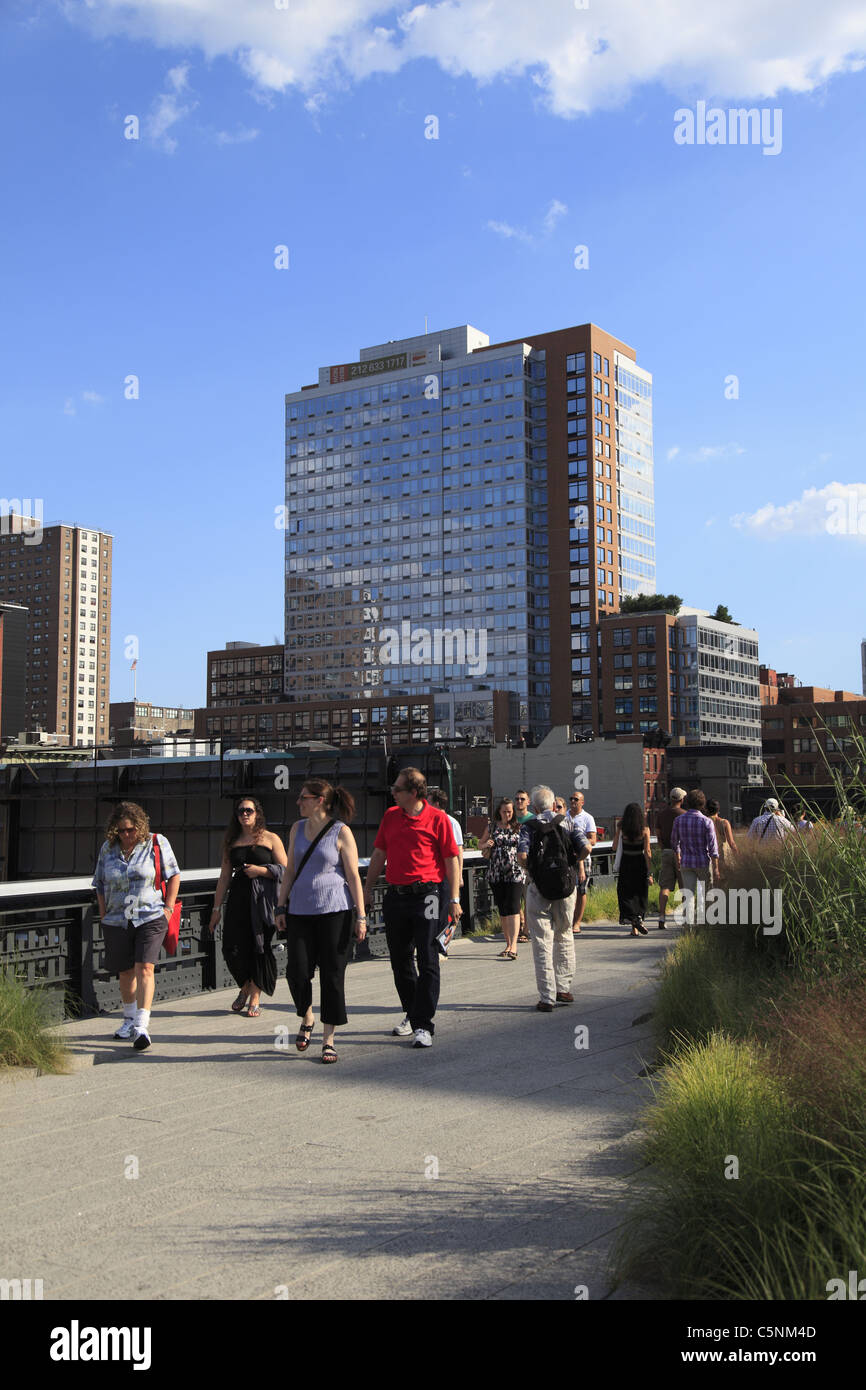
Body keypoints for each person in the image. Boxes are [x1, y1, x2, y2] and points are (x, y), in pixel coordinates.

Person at [364, 767, 461, 1048]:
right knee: (399, 959)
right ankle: (413, 1012)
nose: (392, 792)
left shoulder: (438, 819)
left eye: (397, 789)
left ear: (414, 793)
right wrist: (368, 888)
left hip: (428, 894)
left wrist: (454, 899)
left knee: (428, 958)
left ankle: (423, 1025)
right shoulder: (391, 816)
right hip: (396, 895)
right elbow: (379, 853)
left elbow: (452, 860)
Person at [275, 780, 366, 1064]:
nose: (298, 802)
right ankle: (307, 1015)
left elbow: (352, 876)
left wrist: (361, 916)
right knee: (296, 971)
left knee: (332, 974)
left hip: (336, 912)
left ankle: (328, 1040)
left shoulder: (341, 831)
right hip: (300, 911)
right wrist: (281, 905)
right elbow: (289, 869)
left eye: (303, 798)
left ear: (320, 801)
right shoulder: (296, 829)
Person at [92, 801, 181, 1052]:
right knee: (125, 972)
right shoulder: (108, 849)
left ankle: (142, 1025)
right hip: (117, 919)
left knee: (145, 967)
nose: (127, 834)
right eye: (121, 830)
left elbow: (174, 875)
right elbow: (99, 883)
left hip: (150, 915)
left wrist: (168, 908)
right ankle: (129, 1020)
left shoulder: (156, 843)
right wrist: (103, 913)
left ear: (139, 826)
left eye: (131, 829)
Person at [208, 797, 287, 1016]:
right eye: (241, 810)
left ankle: (254, 996)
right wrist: (216, 909)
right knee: (231, 947)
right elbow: (224, 876)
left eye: (249, 810)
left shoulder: (270, 838)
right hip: (238, 898)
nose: (245, 814)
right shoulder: (231, 842)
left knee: (258, 946)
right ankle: (245, 985)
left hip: (263, 900)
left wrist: (261, 871)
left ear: (257, 813)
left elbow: (286, 869)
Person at [517, 785, 589, 1011]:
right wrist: (572, 862)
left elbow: (522, 855)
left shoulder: (529, 826)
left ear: (536, 807)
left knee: (541, 942)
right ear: (553, 806)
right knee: (565, 934)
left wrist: (532, 870)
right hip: (566, 887)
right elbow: (586, 847)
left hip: (539, 888)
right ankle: (564, 989)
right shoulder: (567, 822)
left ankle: (547, 997)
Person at [478, 797, 526, 959]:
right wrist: (486, 845)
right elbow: (480, 844)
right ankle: (507, 944)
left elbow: (525, 846)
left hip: (515, 872)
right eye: (505, 811)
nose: (507, 814)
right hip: (496, 872)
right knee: (504, 910)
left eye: (510, 812)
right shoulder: (492, 827)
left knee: (513, 906)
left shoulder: (518, 827)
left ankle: (514, 945)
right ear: (499, 811)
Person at [671, 788, 719, 925]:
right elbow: (713, 847)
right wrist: (716, 868)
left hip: (686, 862)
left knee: (688, 895)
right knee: (707, 895)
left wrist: (678, 855)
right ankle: (708, 924)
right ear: (702, 804)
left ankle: (688, 926)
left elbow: (674, 842)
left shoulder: (678, 820)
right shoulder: (706, 822)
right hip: (703, 862)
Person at [427, 788, 463, 957]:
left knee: (445, 912)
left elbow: (458, 852)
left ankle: (442, 947)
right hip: (434, 875)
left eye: (428, 801)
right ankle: (430, 945)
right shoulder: (428, 820)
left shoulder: (451, 822)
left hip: (448, 876)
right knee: (433, 912)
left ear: (437, 803)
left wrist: (460, 875)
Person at [612, 803, 653, 936]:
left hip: (626, 862)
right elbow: (647, 851)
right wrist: (649, 872)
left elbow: (614, 846)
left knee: (626, 892)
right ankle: (638, 918)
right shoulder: (645, 830)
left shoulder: (622, 828)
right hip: (639, 862)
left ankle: (633, 926)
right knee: (640, 892)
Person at [566, 791, 597, 935]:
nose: (573, 801)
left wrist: (579, 842)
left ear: (582, 802)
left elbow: (593, 840)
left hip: (583, 858)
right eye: (571, 799)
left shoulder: (587, 818)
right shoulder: (564, 816)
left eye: (576, 799)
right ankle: (568, 920)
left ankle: (577, 922)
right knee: (568, 889)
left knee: (581, 890)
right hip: (567, 858)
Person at [655, 787, 685, 929]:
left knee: (665, 886)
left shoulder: (661, 815)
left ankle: (662, 917)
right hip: (683, 853)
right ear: (682, 799)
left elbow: (658, 835)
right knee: (684, 887)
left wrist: (662, 848)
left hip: (666, 851)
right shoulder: (684, 815)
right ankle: (686, 917)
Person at [514, 790, 533, 941]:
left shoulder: (532, 819)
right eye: (517, 799)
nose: (519, 801)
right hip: (512, 863)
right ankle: (520, 921)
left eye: (522, 799)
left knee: (527, 896)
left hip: (527, 862)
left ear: (528, 802)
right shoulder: (510, 818)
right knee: (515, 897)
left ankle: (526, 930)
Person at [705, 799, 737, 879]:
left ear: (706, 809)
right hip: (723, 855)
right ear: (718, 809)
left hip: (708, 856)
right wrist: (737, 855)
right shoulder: (724, 822)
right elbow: (731, 843)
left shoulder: (704, 821)